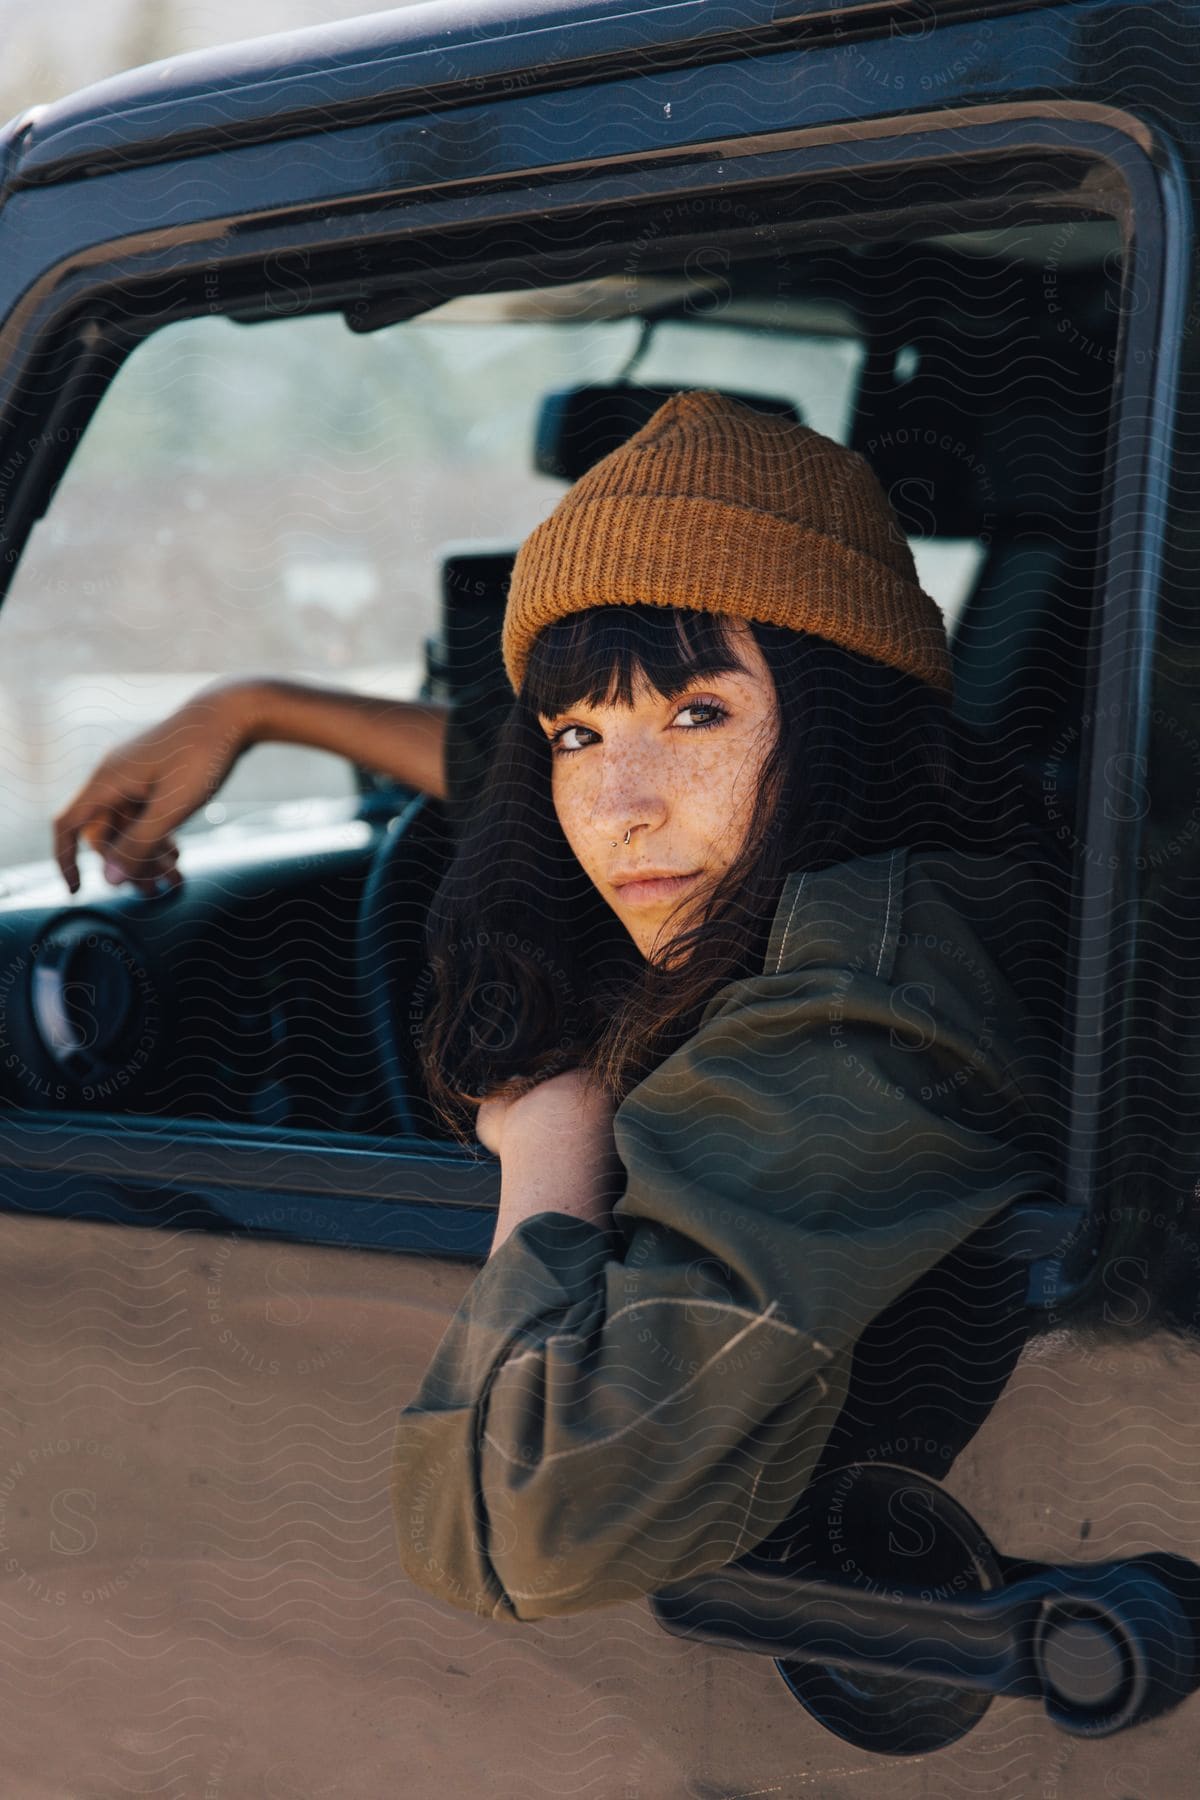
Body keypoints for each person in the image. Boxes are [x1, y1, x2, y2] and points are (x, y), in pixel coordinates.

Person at [52, 390, 1068, 1625]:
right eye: (580, 732)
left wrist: (546, 1135)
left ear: (849, 713)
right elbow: (509, 772)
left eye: (699, 712)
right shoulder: (917, 877)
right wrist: (256, 707)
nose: (621, 804)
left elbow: (532, 1523)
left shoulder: (860, 1021)